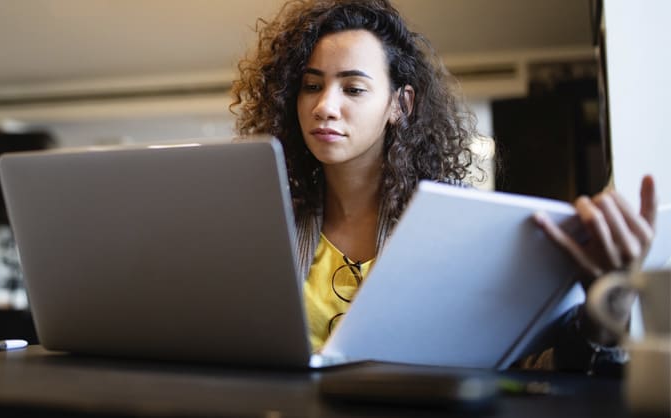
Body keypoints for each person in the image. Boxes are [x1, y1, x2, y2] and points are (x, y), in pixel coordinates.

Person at [229, 0, 657, 375]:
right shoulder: (267, 223)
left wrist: (609, 304)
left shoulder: (458, 229)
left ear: (401, 104)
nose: (325, 106)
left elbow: (533, 365)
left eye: (354, 88)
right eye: (312, 86)